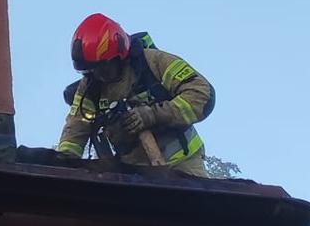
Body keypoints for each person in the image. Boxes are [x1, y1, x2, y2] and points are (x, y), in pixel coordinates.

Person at [54, 13, 213, 176]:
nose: (99, 75)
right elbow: (76, 126)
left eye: (103, 68)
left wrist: (153, 115)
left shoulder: (153, 62)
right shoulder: (90, 86)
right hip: (133, 174)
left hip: (183, 164)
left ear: (119, 55)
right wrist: (64, 162)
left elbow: (201, 95)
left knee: (196, 194)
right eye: (91, 70)